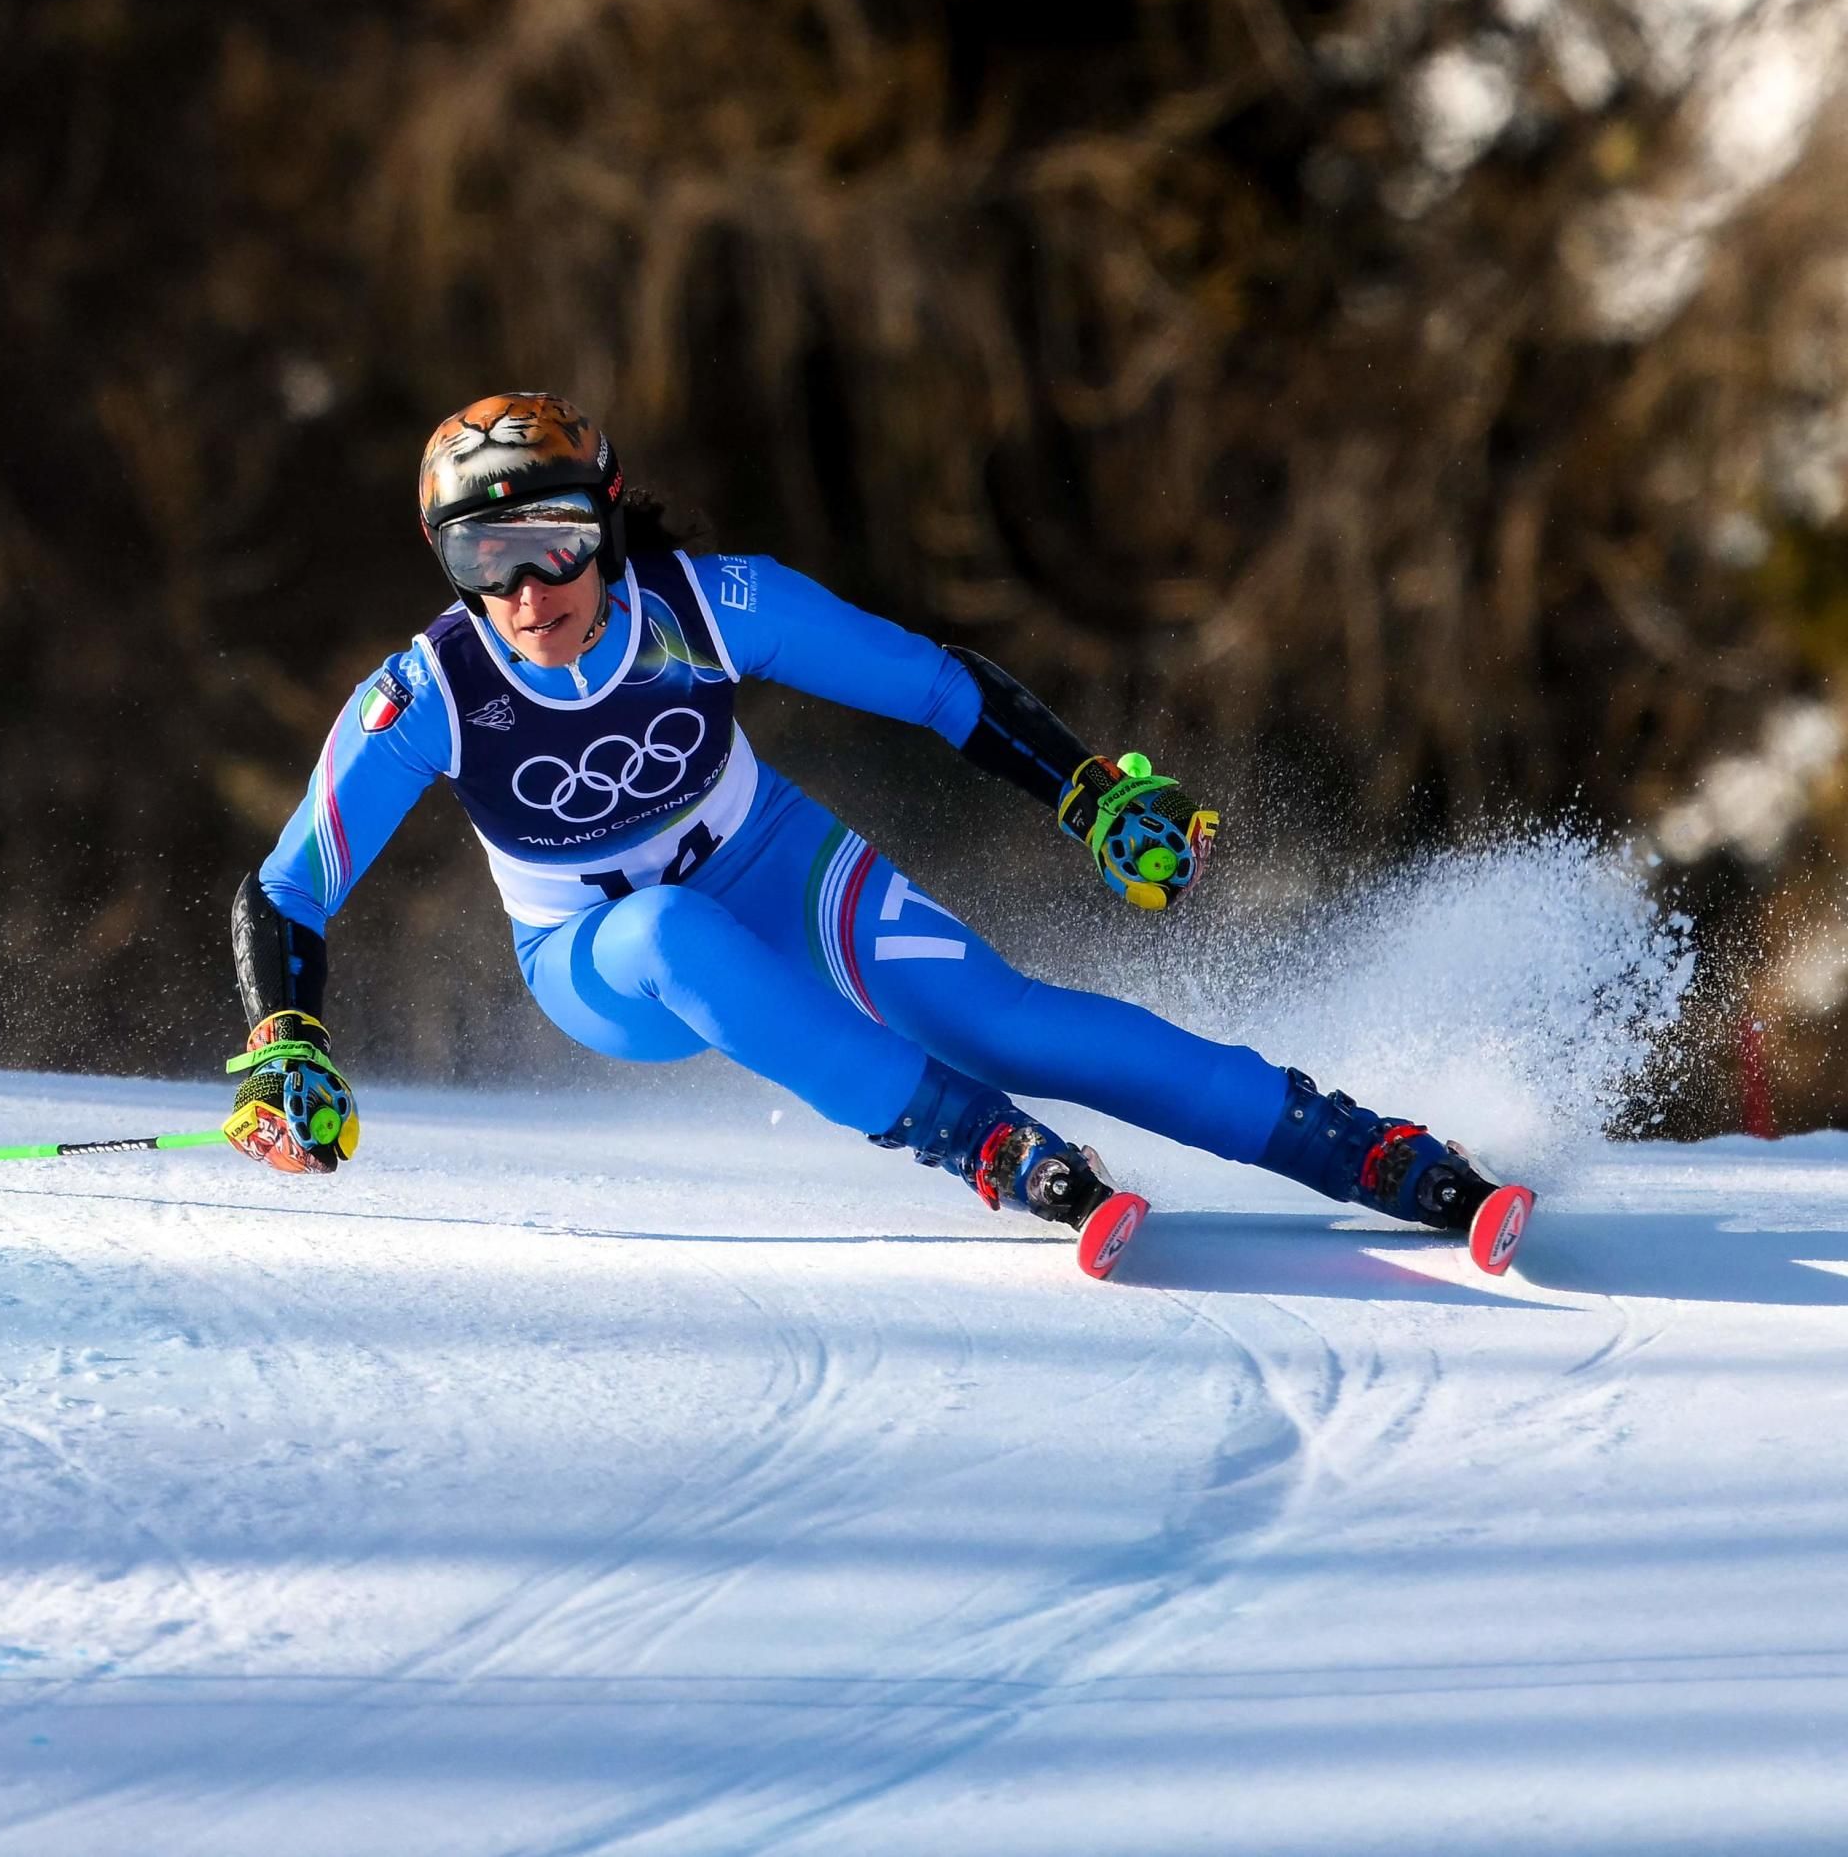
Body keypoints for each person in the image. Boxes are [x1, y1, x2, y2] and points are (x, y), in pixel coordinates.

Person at [220, 393, 1535, 1278]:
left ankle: (1368, 1150)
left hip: (771, 861)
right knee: (671, 930)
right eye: (479, 558)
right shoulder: (429, 693)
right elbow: (286, 893)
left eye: (553, 545)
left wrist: (1089, 793)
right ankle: (982, 1143)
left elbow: (934, 687)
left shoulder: (715, 605)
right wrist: (288, 1045)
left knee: (1010, 1020)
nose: (523, 593)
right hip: (596, 962)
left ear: (605, 525)